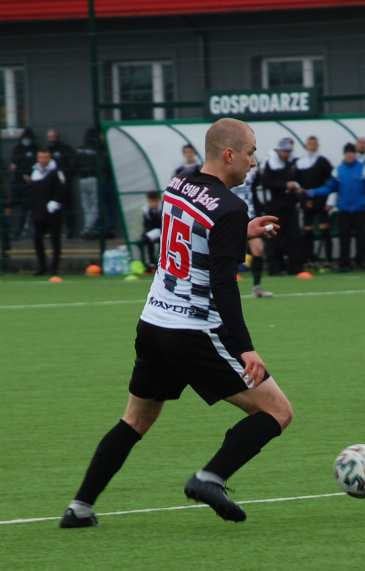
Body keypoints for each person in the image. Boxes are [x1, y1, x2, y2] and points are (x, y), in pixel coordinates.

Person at [59, 118, 291, 528]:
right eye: (252, 153)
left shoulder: (178, 184)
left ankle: (80, 507)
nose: (255, 162)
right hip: (195, 331)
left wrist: (240, 231)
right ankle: (210, 477)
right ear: (229, 154)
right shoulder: (231, 207)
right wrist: (245, 348)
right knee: (276, 412)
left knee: (136, 419)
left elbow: (192, 237)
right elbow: (223, 285)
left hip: (153, 324)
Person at [305, 142, 365, 271]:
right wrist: (313, 191)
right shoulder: (338, 170)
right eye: (348, 153)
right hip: (344, 210)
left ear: (355, 154)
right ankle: (344, 264)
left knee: (363, 239)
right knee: (344, 239)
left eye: (352, 153)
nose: (350, 156)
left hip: (362, 210)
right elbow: (329, 188)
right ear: (344, 155)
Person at [260, 137, 303, 274]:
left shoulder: (292, 164)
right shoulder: (270, 164)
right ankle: (275, 268)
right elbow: (266, 182)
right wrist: (285, 185)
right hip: (274, 207)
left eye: (288, 151)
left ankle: (294, 267)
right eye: (284, 151)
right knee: (274, 237)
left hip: (290, 206)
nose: (286, 154)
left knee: (294, 236)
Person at [230, 162, 272, 298]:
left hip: (249, 217)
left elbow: (263, 173)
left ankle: (257, 287)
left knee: (258, 250)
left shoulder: (251, 173)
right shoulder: (227, 173)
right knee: (227, 253)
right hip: (230, 217)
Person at [295, 135, 334, 266]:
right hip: (306, 202)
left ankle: (329, 260)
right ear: (306, 145)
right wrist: (301, 198)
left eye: (314, 143)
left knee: (325, 230)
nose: (312, 145)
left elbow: (332, 183)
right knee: (307, 231)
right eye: (309, 143)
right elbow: (297, 184)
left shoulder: (323, 161)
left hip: (322, 201)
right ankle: (309, 259)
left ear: (317, 145)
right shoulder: (300, 163)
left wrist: (330, 201)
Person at [30, 149, 67, 277]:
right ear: (37, 158)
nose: (43, 160)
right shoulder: (34, 172)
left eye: (45, 157)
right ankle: (42, 266)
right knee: (37, 238)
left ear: (49, 157)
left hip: (53, 212)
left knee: (55, 239)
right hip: (38, 211)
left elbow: (62, 189)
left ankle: (54, 268)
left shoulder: (56, 171)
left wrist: (55, 201)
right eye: (40, 157)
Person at [46, 129, 77, 238]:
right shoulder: (47, 150)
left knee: (67, 206)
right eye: (49, 137)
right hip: (51, 183)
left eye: (53, 136)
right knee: (53, 206)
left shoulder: (65, 149)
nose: (51, 139)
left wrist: (66, 175)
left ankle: (70, 230)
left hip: (64, 182)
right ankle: (54, 230)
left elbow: (72, 163)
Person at [7, 128, 38, 239]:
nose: (26, 140)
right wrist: (23, 173)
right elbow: (13, 166)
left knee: (25, 209)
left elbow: (36, 165)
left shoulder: (34, 149)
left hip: (28, 185)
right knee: (9, 205)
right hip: (17, 183)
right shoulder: (18, 149)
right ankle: (6, 227)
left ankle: (19, 231)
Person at [140, 191, 161, 271]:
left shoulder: (162, 207)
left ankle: (156, 262)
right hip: (151, 232)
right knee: (145, 239)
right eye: (150, 201)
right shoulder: (146, 209)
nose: (151, 203)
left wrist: (155, 212)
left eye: (153, 201)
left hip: (161, 230)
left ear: (158, 200)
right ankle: (150, 263)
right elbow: (146, 224)